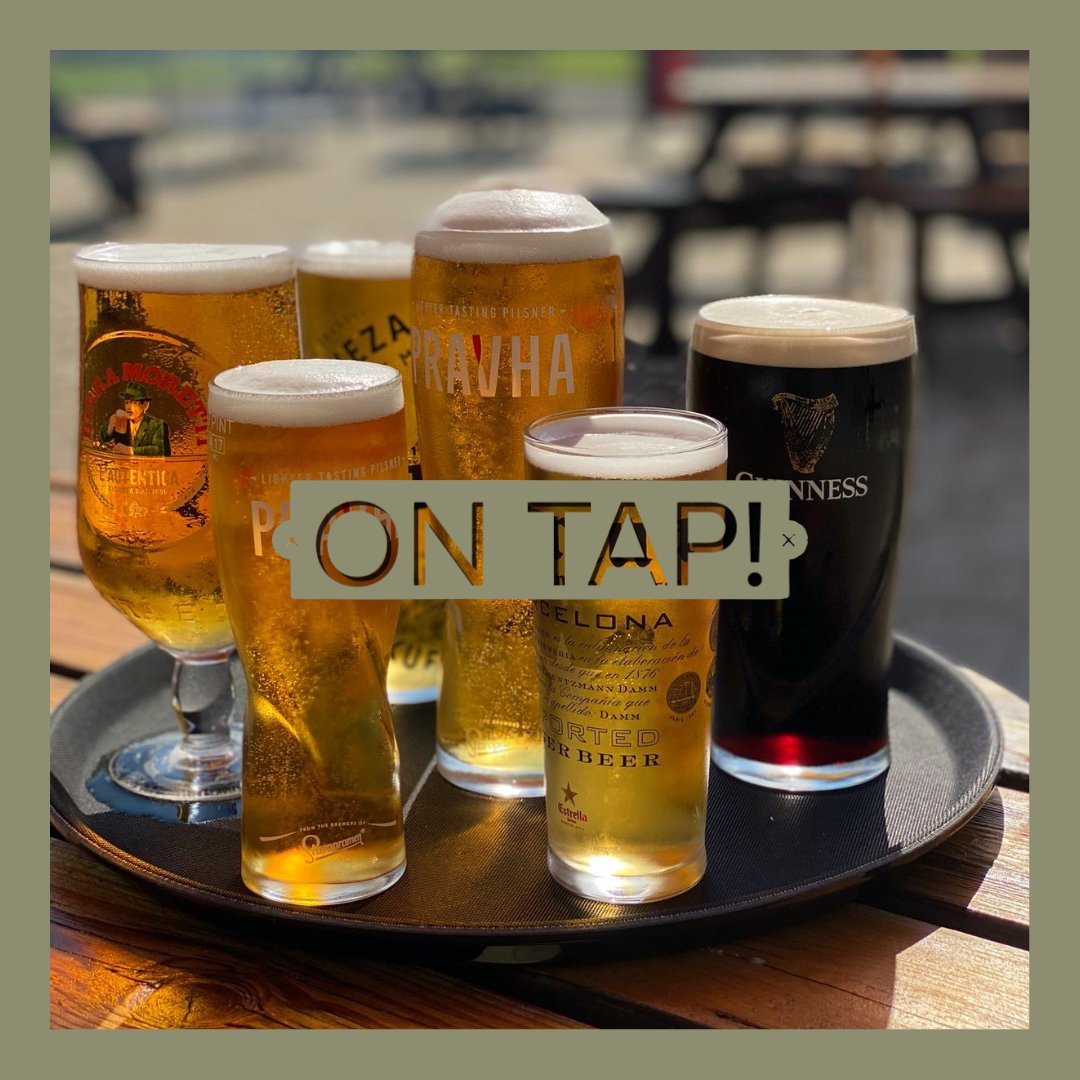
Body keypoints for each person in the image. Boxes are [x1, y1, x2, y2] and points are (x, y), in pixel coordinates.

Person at [100, 381, 171, 456]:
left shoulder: (157, 425)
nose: (129, 407)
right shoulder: (122, 421)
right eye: (127, 402)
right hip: (121, 466)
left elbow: (162, 451)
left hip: (149, 467)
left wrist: (130, 450)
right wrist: (109, 429)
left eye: (134, 403)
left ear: (145, 405)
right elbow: (104, 438)